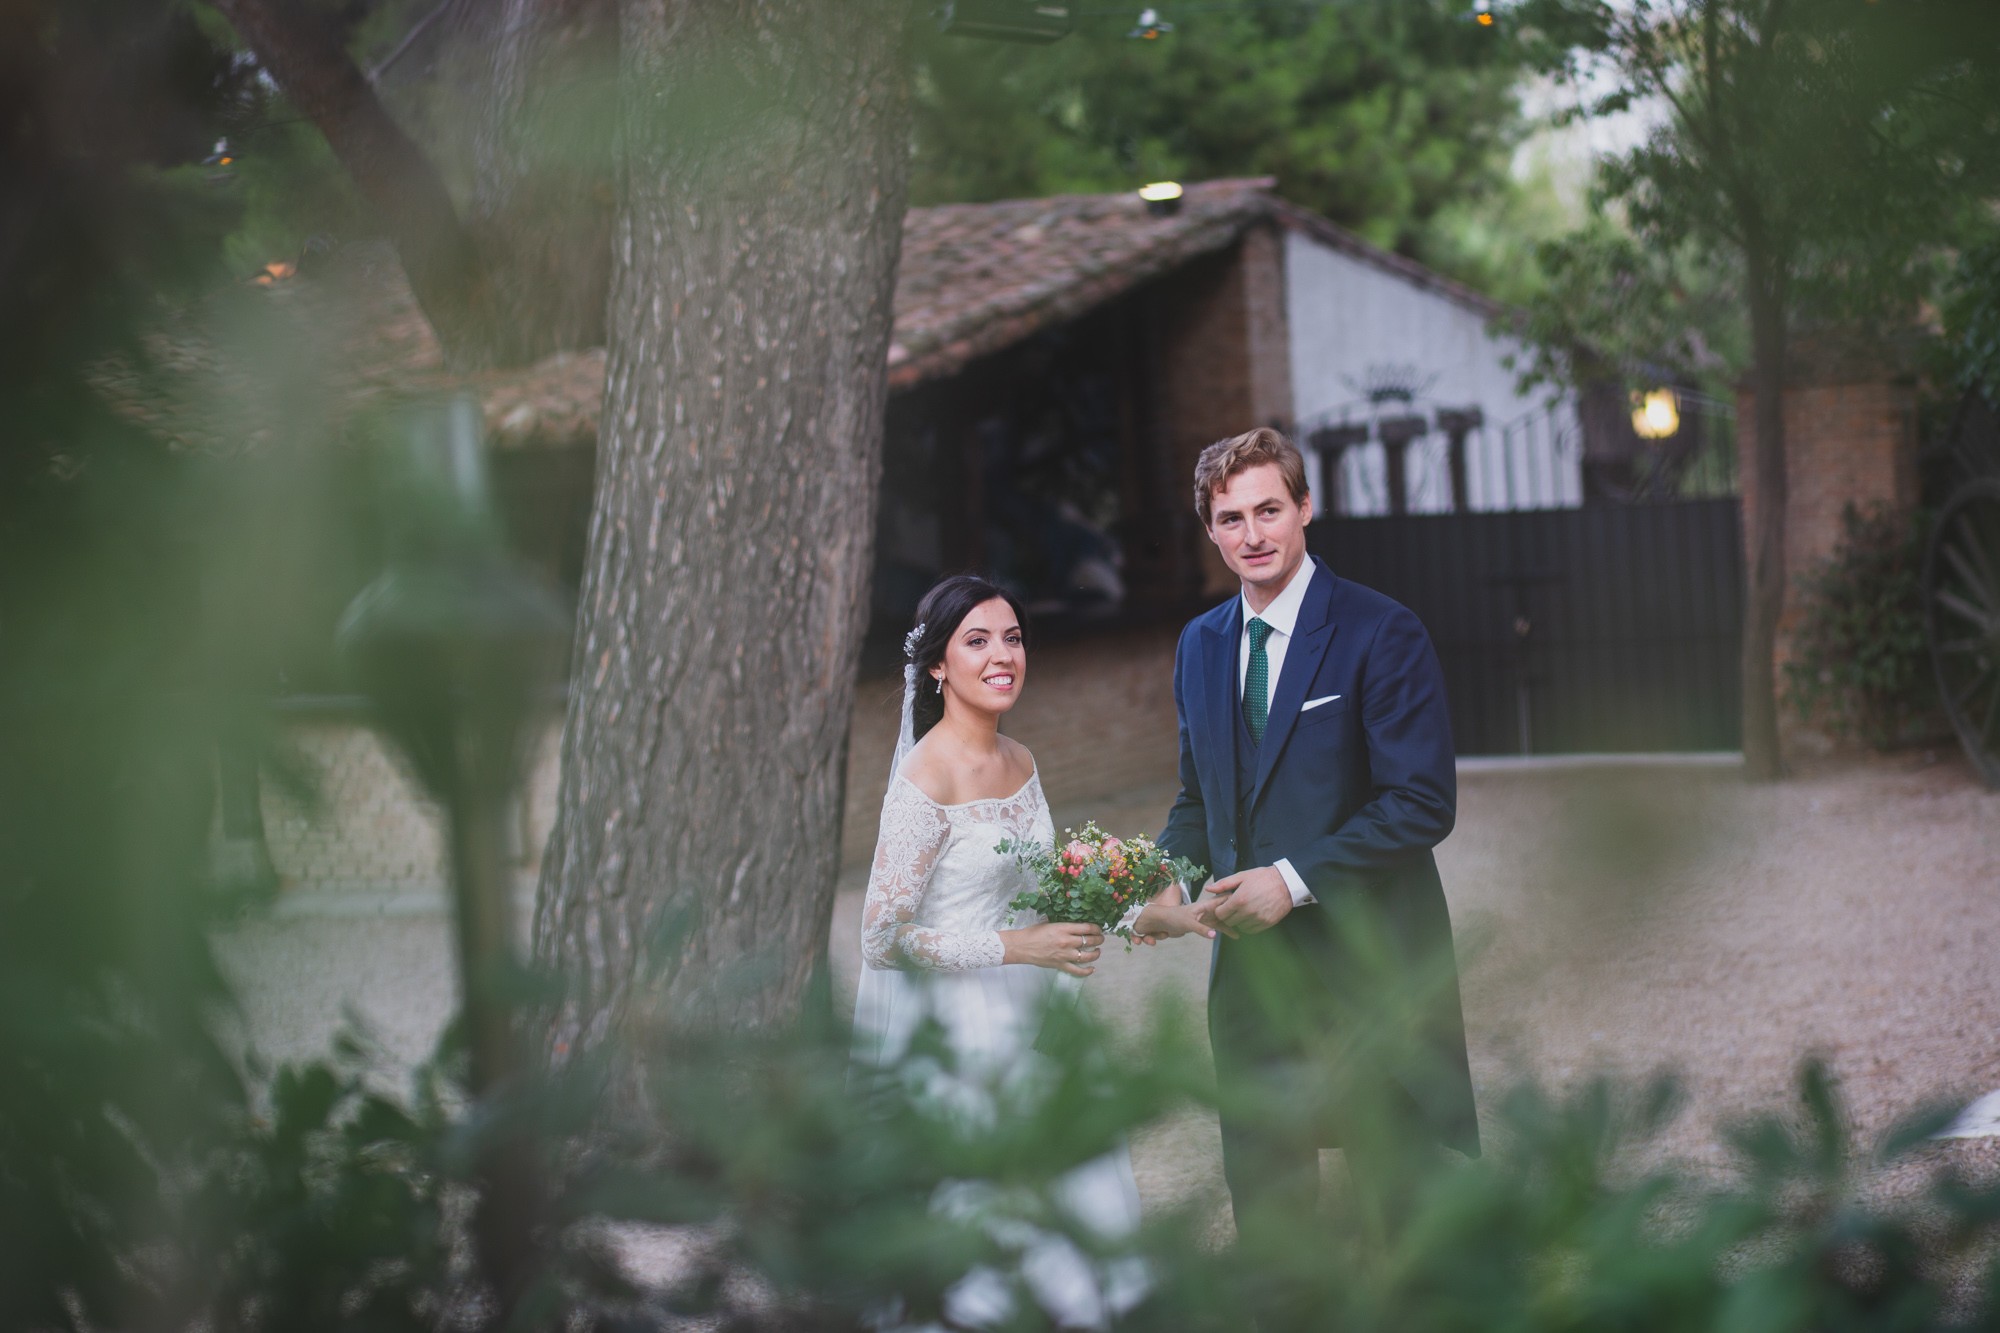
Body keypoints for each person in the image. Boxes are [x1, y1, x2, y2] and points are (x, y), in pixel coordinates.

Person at [1147, 427, 1480, 1246]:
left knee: (1400, 1227)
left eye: (1268, 510)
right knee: (1272, 1224)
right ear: (1212, 529)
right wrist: (1162, 875)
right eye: (1230, 518)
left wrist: (1289, 879)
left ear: (1305, 507)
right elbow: (1200, 798)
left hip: (1371, 973)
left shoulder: (1381, 630)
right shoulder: (1200, 644)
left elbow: (1421, 801)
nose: (1252, 535)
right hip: (1255, 994)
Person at [852, 573, 1208, 1328]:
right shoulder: (924, 778)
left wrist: (1159, 916)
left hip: (1041, 1017)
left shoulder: (1021, 758)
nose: (1002, 654)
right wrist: (1017, 946)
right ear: (938, 666)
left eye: (1012, 636)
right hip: (961, 1033)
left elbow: (1052, 890)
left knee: (1075, 1205)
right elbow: (881, 938)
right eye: (977, 640)